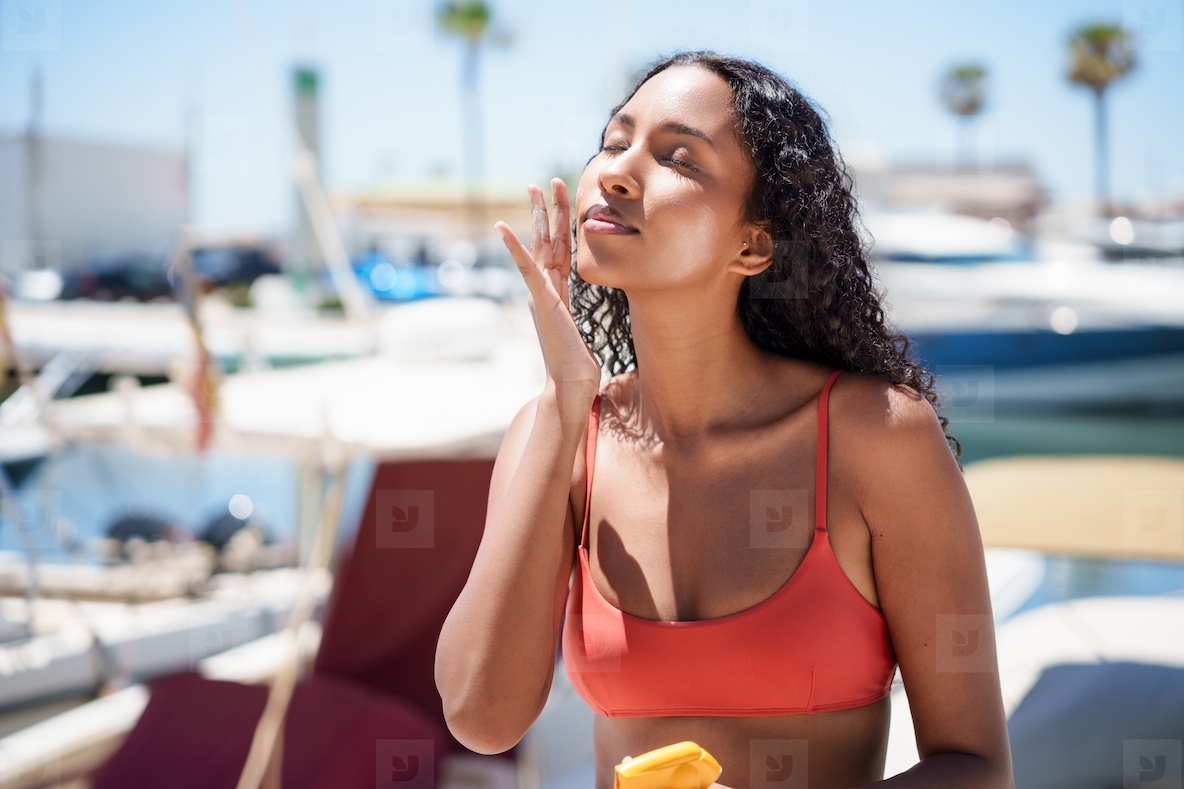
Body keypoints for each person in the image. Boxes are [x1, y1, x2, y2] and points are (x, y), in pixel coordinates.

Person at [436, 51, 1014, 789]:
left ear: (754, 244)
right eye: (614, 142)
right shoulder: (557, 432)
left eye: (678, 157)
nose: (617, 171)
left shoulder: (877, 436)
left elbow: (979, 768)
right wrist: (562, 401)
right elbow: (480, 716)